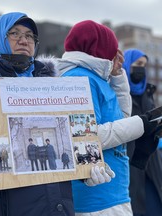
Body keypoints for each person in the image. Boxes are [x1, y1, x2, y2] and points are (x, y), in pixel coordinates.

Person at [0, 12, 116, 216]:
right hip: (3, 206)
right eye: (14, 33)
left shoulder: (54, 88)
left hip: (55, 207)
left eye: (30, 35)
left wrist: (86, 168)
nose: (24, 40)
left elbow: (71, 139)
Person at [58, 20, 160, 215]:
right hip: (97, 199)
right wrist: (141, 124)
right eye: (113, 47)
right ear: (99, 47)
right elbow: (86, 137)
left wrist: (118, 77)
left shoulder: (96, 79)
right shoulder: (81, 78)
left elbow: (121, 118)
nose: (116, 54)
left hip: (113, 191)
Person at [123, 48, 162, 216]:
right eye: (137, 64)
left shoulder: (148, 93)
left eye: (144, 65)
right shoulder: (121, 94)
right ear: (127, 65)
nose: (141, 69)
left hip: (151, 162)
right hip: (130, 162)